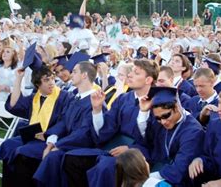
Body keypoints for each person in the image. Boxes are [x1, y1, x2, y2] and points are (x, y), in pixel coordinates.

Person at [62, 59, 158, 187]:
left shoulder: (157, 103)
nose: (130, 75)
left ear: (148, 80)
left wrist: (130, 149)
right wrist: (97, 110)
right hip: (112, 149)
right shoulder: (124, 98)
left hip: (137, 156)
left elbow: (156, 141)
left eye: (136, 73)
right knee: (72, 158)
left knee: (104, 166)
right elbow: (106, 129)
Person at [0, 58, 71, 187]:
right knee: (8, 145)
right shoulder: (34, 98)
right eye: (46, 80)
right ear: (38, 85)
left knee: (22, 151)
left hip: (50, 140)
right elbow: (14, 105)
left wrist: (47, 133)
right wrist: (18, 79)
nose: (51, 83)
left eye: (52, 79)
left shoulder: (65, 97)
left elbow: (65, 121)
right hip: (33, 137)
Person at [33, 60, 98, 186]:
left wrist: (59, 145)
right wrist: (51, 141)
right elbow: (63, 121)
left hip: (80, 147)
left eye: (74, 71)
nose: (71, 74)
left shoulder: (95, 102)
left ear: (84, 75)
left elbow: (84, 132)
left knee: (52, 158)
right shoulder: (75, 99)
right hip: (67, 142)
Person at [138, 87, 205, 186]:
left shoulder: (193, 131)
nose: (163, 122)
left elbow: (180, 169)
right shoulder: (160, 122)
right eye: (158, 118)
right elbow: (146, 139)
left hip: (177, 181)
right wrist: (143, 112)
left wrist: (147, 178)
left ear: (177, 107)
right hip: (156, 169)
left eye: (166, 116)